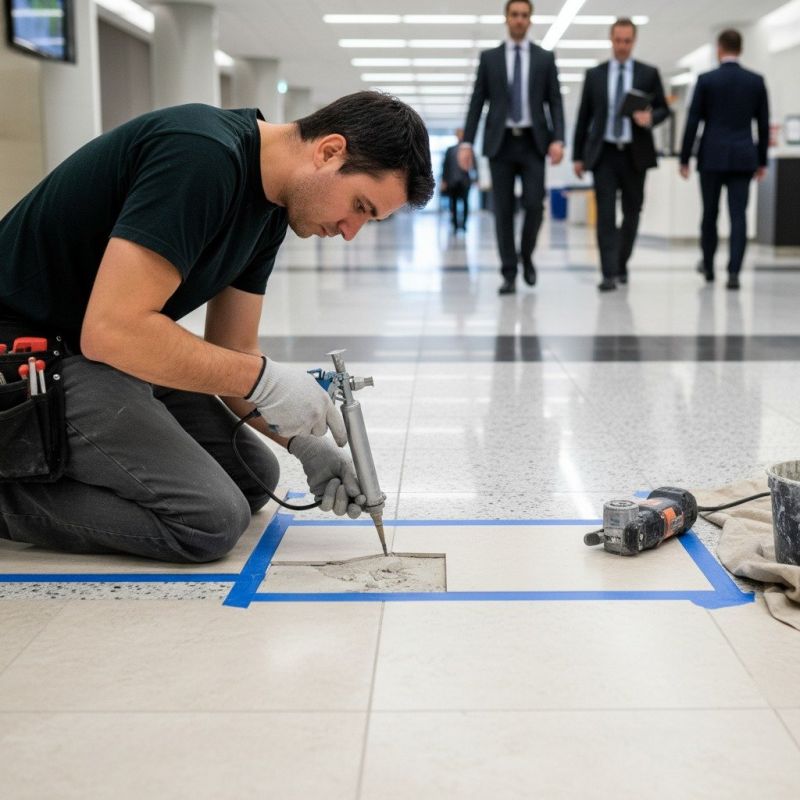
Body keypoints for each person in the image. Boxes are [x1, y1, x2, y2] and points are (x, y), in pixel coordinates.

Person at [0, 91, 434, 562]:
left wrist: (303, 443)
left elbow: (235, 348)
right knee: (208, 520)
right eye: (360, 207)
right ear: (330, 151)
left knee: (253, 480)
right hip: (30, 360)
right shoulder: (199, 156)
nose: (350, 231)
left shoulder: (272, 209)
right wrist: (264, 379)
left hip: (95, 354)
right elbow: (113, 329)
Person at [458, 0, 564, 295]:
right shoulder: (489, 58)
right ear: (506, 18)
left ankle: (526, 255)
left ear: (530, 20)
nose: (519, 20)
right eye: (515, 15)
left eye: (525, 16)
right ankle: (508, 272)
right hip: (500, 144)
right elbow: (477, 102)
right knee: (502, 210)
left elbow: (554, 101)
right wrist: (467, 142)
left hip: (533, 143)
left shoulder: (544, 58)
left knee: (534, 205)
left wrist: (558, 139)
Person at [572, 17, 669, 291]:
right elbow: (584, 117)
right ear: (611, 40)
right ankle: (608, 272)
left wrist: (650, 117)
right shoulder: (595, 75)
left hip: (635, 155)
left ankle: (621, 261)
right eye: (618, 40)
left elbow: (663, 109)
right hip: (604, 154)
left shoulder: (648, 74)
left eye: (627, 41)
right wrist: (578, 156)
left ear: (633, 41)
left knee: (632, 212)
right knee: (605, 214)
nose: (622, 46)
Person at [679, 29, 770, 290]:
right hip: (743, 157)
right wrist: (762, 160)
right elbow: (762, 125)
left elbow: (693, 121)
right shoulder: (755, 81)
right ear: (740, 49)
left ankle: (708, 266)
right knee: (738, 215)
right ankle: (734, 273)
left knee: (710, 212)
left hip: (711, 156)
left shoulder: (707, 80)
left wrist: (685, 158)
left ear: (719, 49)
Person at [441, 128, 472, 232]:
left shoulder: (468, 150)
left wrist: (477, 178)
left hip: (464, 182)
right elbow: (445, 166)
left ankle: (464, 224)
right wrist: (444, 181)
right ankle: (454, 224)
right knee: (452, 204)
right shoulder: (450, 150)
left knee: (465, 203)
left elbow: (474, 165)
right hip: (452, 181)